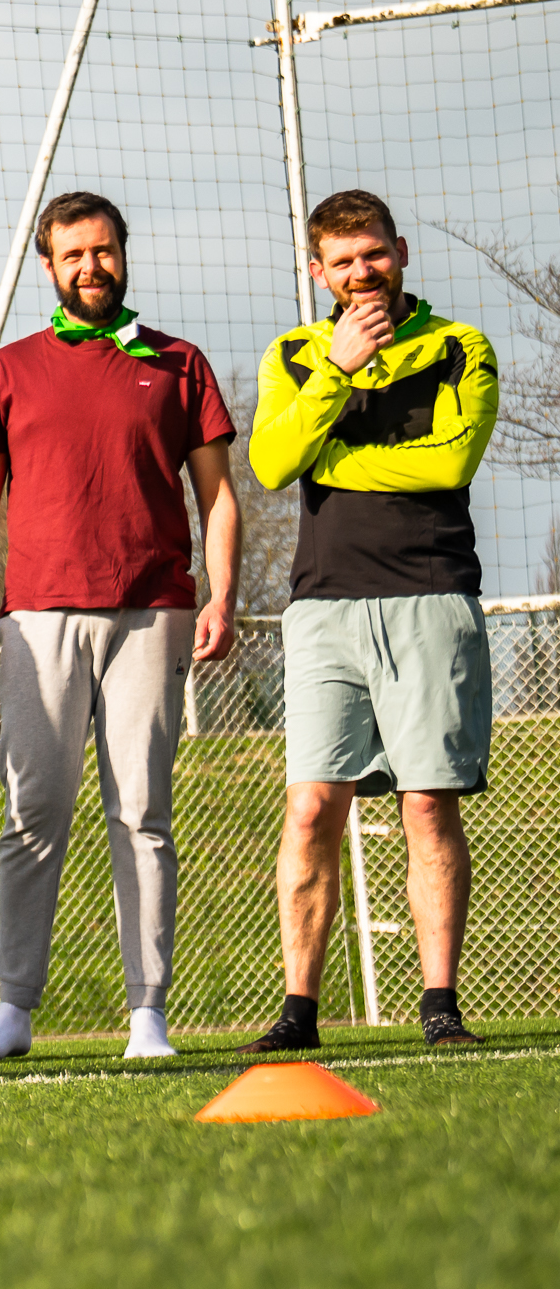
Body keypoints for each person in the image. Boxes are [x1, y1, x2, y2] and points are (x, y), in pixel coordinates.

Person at [0, 190, 240, 1063]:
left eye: (102, 250)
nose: (90, 267)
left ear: (123, 253)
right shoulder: (9, 368)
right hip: (37, 617)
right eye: (72, 255)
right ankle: (14, 1010)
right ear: (48, 266)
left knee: (142, 811)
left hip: (154, 610)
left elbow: (218, 496)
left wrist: (221, 594)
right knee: (31, 809)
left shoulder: (179, 363)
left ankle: (148, 1014)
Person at [239, 189, 498, 1052]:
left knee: (427, 804)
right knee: (312, 806)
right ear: (319, 271)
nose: (362, 272)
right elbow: (272, 460)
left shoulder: (460, 346)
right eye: (343, 261)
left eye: (374, 253)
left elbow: (449, 464)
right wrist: (338, 371)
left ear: (402, 251)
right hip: (323, 605)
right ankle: (298, 1014)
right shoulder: (294, 353)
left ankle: (440, 1007)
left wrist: (333, 460)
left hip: (431, 592)